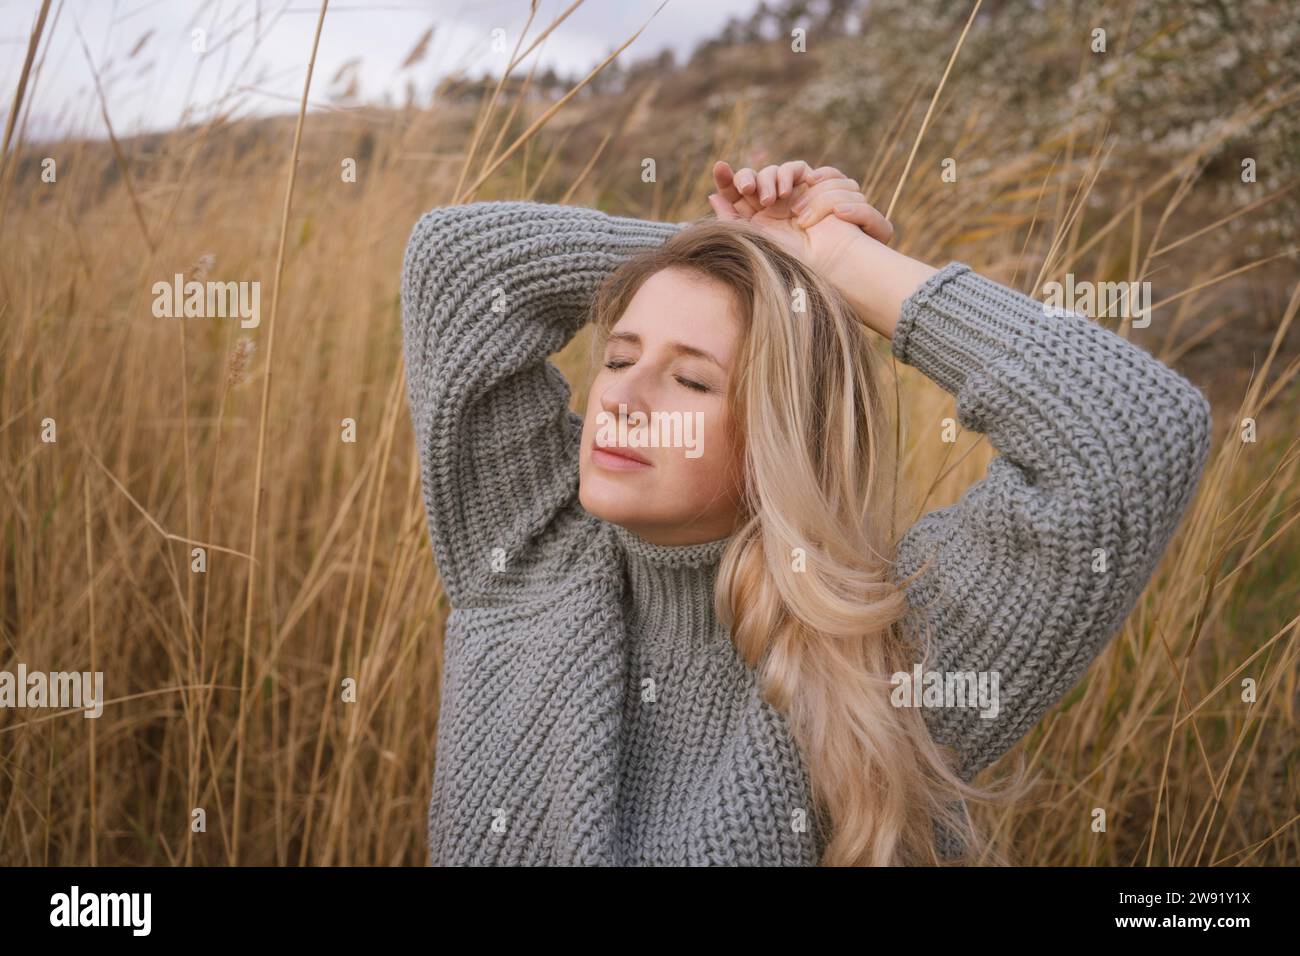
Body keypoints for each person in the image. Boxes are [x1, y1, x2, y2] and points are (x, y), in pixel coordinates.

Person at [398, 159, 1213, 866]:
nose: (622, 400)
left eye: (691, 381)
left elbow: (1128, 433)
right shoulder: (527, 555)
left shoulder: (875, 664)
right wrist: (756, 254)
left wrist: (840, 263)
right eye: (618, 357)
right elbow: (459, 265)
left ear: (779, 438)